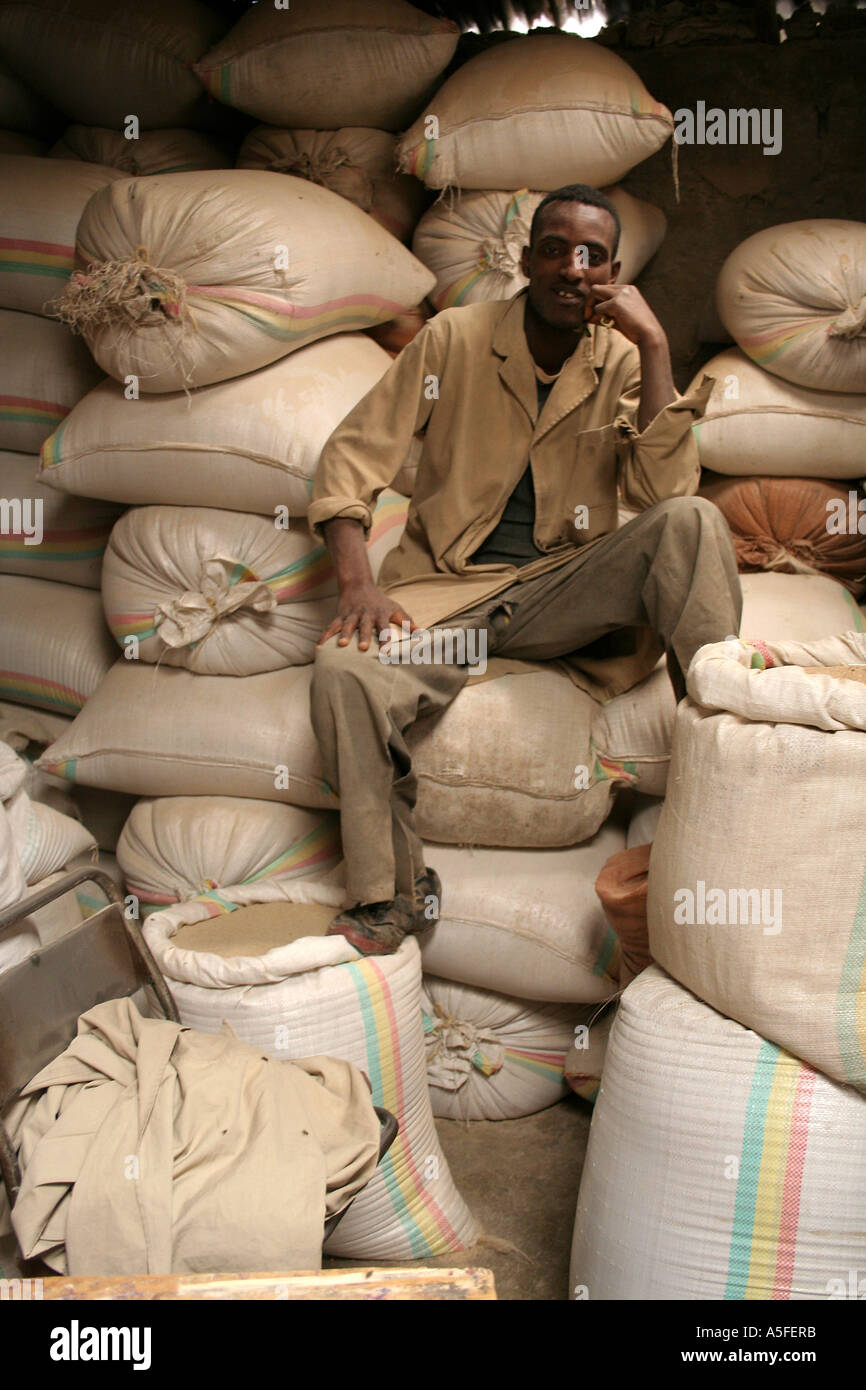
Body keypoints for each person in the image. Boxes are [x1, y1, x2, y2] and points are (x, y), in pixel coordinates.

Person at [308, 183, 742, 957]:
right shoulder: (454, 339)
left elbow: (662, 493)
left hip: (568, 601)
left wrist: (655, 347)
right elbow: (350, 457)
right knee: (345, 670)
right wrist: (357, 583)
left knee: (695, 520)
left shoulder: (622, 357)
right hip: (456, 613)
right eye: (555, 250)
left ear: (612, 272)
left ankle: (731, 771)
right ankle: (391, 896)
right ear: (525, 260)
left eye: (593, 257)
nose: (573, 271)